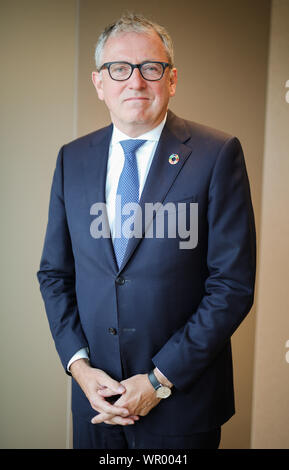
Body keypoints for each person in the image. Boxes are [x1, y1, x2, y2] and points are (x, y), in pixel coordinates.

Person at [37, 13, 256, 450]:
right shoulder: (72, 159)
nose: (135, 82)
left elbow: (231, 286)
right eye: (119, 69)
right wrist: (80, 368)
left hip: (182, 404)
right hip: (97, 405)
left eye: (150, 68)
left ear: (171, 79)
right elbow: (55, 275)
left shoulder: (217, 155)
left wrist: (158, 381)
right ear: (99, 83)